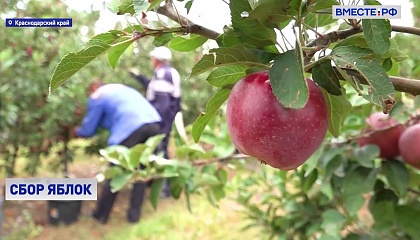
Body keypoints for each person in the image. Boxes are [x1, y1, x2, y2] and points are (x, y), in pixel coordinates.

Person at [72, 79, 162, 224]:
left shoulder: (98, 96)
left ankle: (101, 216)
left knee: (114, 173)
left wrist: (76, 131)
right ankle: (134, 217)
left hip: (131, 128)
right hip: (153, 122)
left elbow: (88, 130)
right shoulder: (120, 87)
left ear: (94, 88)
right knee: (141, 171)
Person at [129, 46, 181, 197]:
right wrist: (139, 77)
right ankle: (164, 186)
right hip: (166, 118)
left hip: (162, 120)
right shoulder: (166, 73)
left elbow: (163, 103)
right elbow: (155, 89)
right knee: (160, 151)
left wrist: (160, 125)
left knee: (161, 152)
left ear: (156, 59)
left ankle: (166, 189)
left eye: (153, 58)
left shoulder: (163, 74)